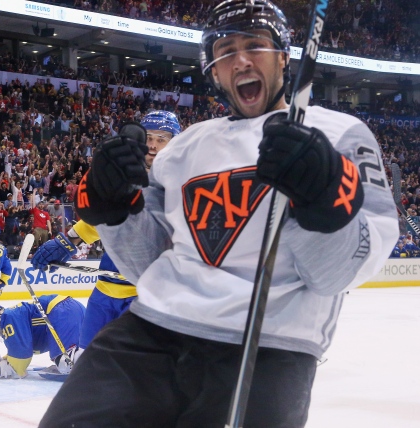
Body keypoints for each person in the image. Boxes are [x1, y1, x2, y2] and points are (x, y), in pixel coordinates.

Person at [41, 1, 399, 426]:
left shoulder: (339, 134)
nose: (241, 59)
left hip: (270, 346)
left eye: (255, 45)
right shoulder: (186, 146)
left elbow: (337, 275)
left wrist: (320, 200)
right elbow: (147, 264)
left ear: (283, 56)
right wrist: (115, 210)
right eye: (226, 50)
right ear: (212, 70)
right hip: (150, 332)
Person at [32, 111, 181, 360]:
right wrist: (66, 241)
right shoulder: (124, 174)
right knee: (86, 362)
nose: (153, 144)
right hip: (105, 291)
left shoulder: (182, 183)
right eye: (150, 137)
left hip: (144, 296)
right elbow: (103, 217)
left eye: (162, 138)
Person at [0, 295, 85, 379]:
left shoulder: (8, 317)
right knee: (78, 352)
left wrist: (0, 369)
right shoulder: (15, 317)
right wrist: (4, 359)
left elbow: (21, 357)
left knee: (65, 364)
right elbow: (22, 346)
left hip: (63, 311)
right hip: (72, 310)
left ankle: (80, 362)